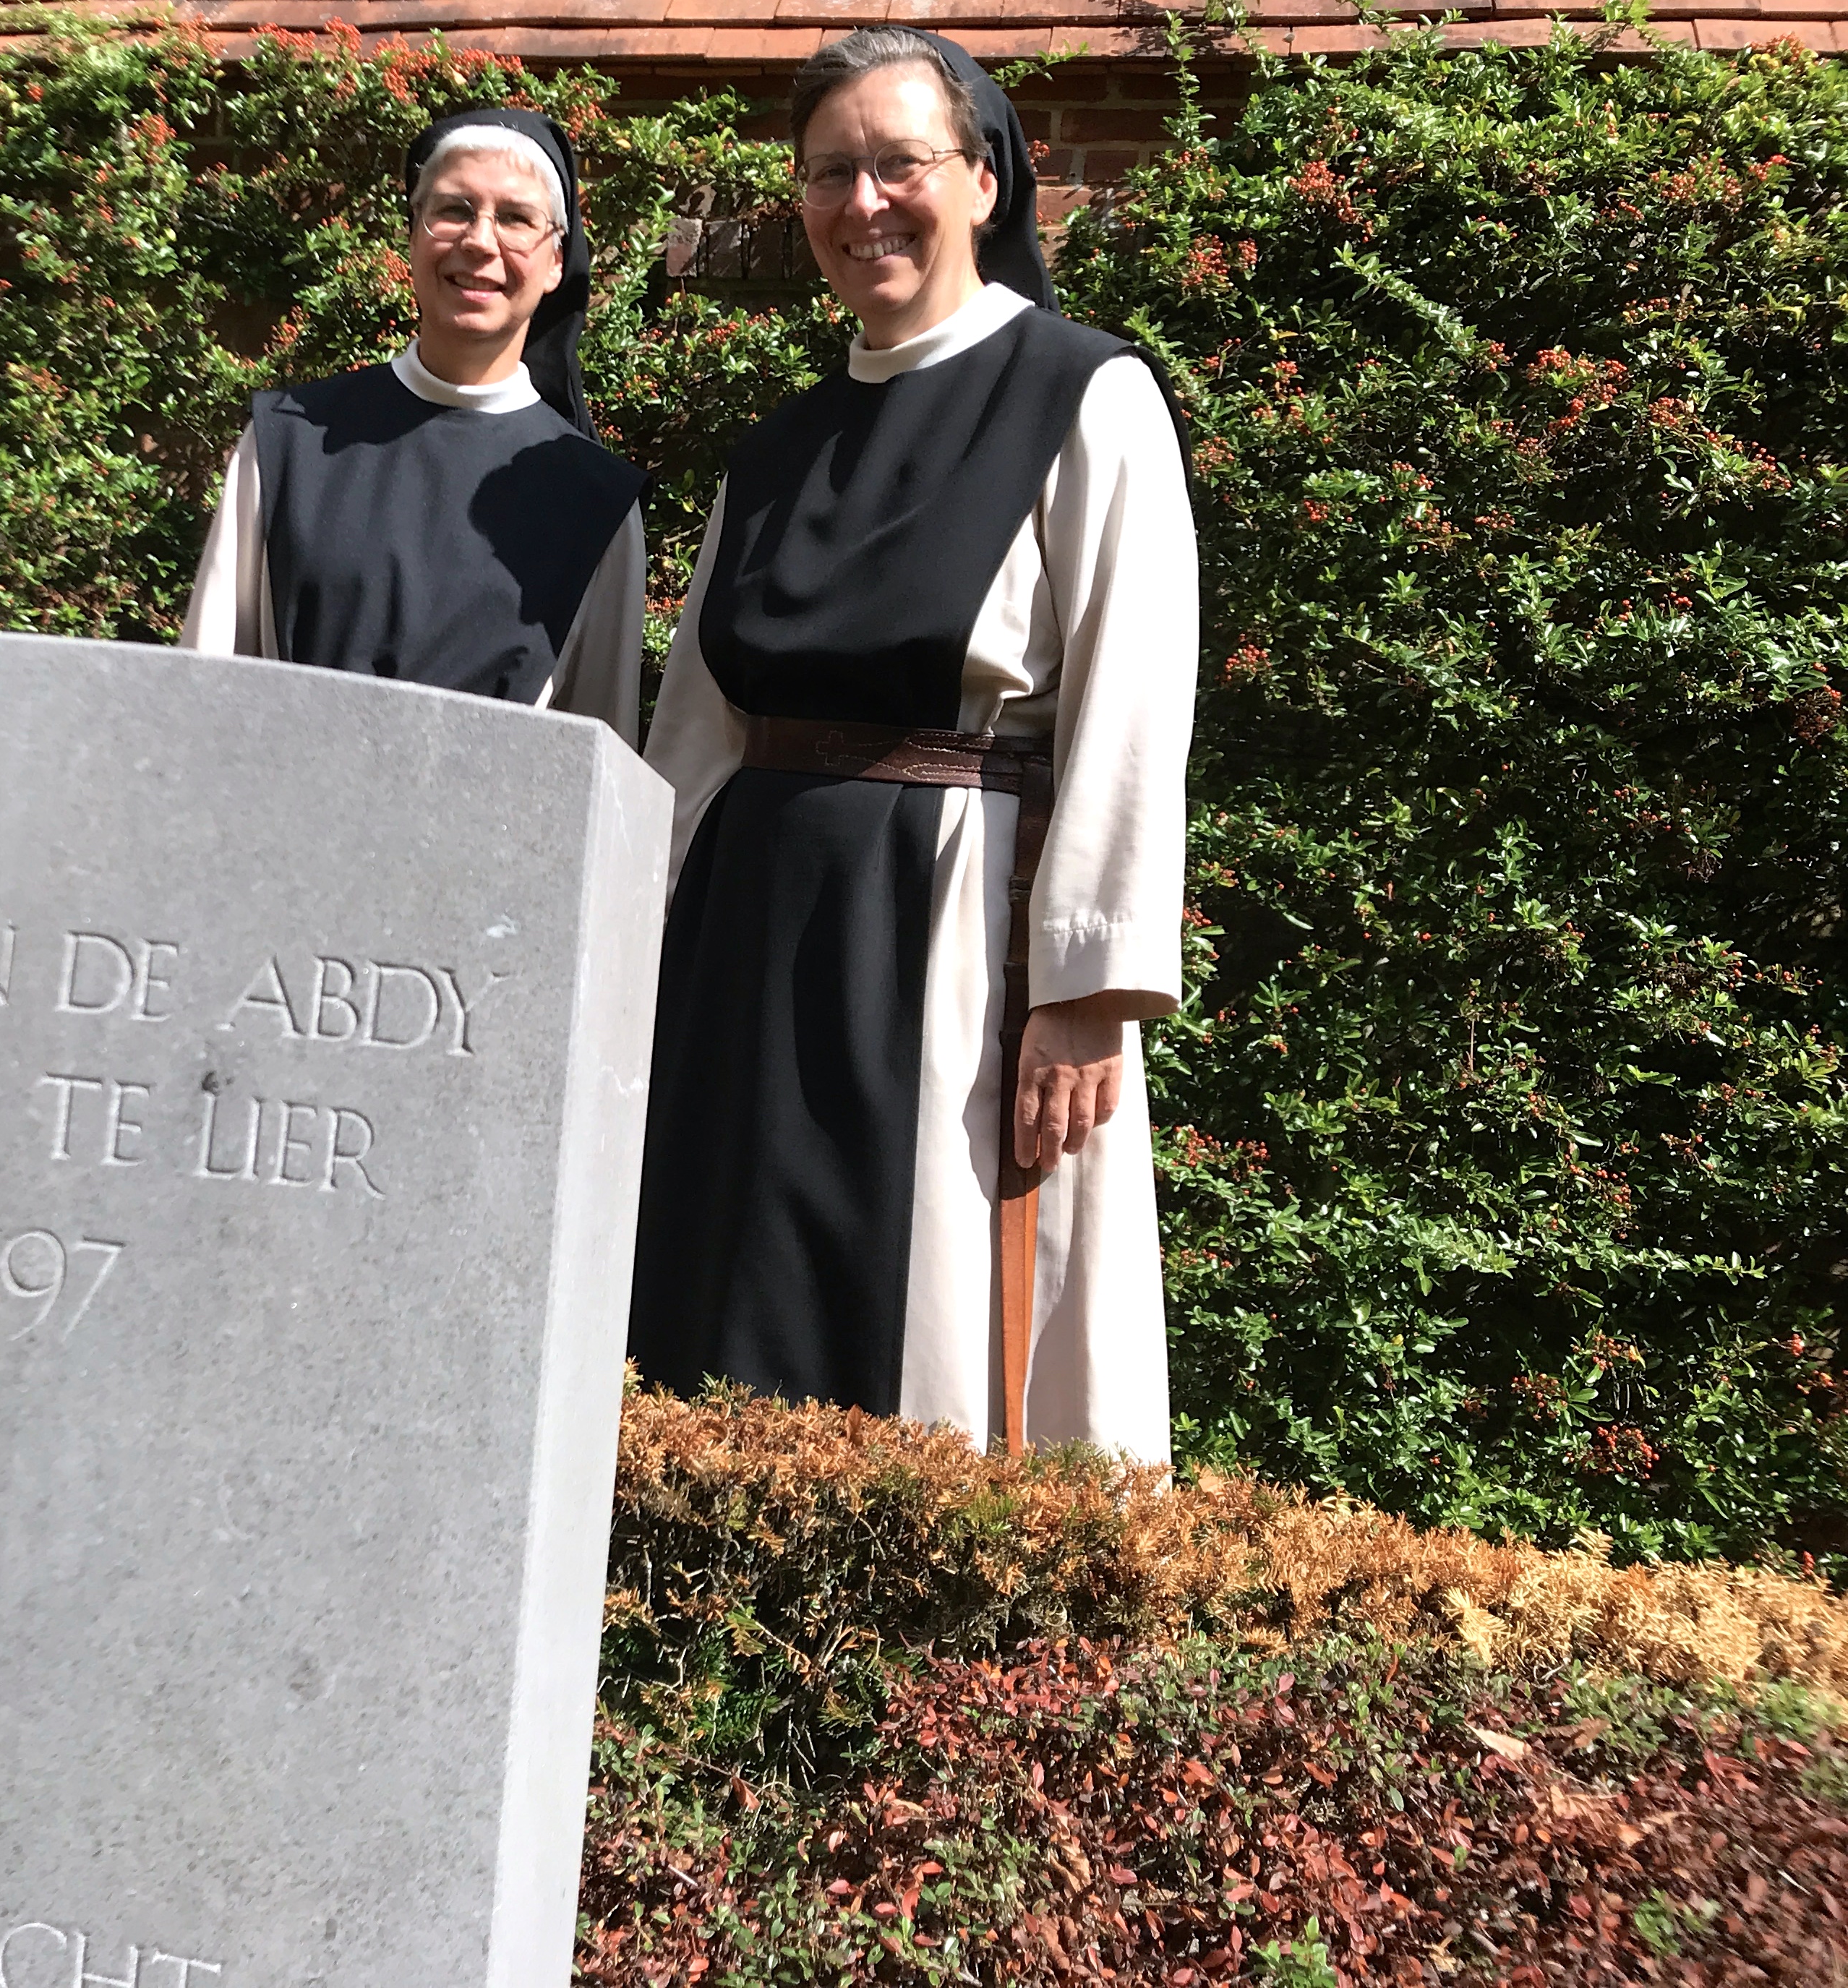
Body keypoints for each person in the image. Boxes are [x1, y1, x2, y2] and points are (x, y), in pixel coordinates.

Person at [627, 27, 1197, 1460]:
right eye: (831, 172)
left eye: (901, 164)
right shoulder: (778, 448)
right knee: (724, 1284)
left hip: (951, 933)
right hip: (750, 947)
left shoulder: (1083, 393)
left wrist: (1087, 987)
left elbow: (1136, 697)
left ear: (987, 181)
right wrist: (633, 958)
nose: (863, 201)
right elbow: (696, 731)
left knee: (939, 1316)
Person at [178, 108, 648, 747]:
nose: (481, 241)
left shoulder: (595, 501)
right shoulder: (288, 440)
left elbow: (598, 754)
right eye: (454, 210)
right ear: (413, 235)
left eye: (515, 219)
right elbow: (205, 691)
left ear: (556, 262)